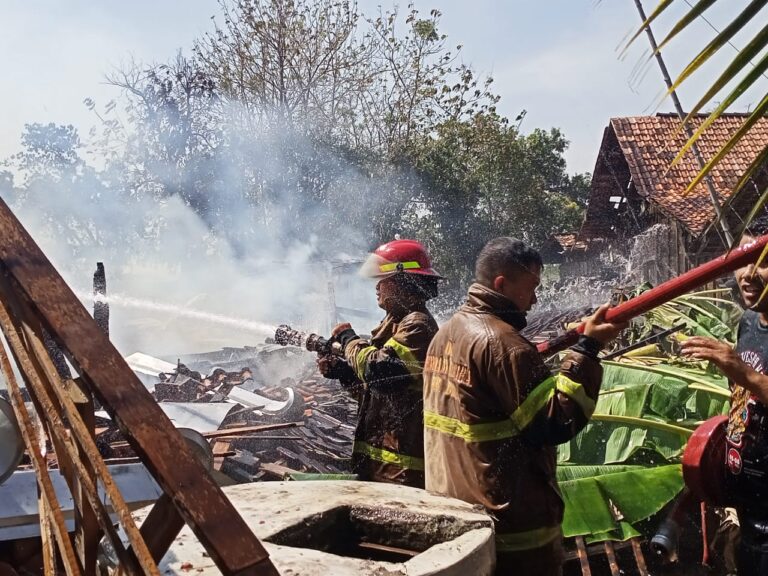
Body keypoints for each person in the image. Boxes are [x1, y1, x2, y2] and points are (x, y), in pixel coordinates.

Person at [423, 237, 625, 575]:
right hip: (512, 532)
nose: (534, 300)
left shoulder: (446, 333)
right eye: (530, 287)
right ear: (502, 284)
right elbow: (556, 422)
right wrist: (588, 350)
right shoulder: (505, 346)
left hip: (458, 514)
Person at [680, 219, 768, 576]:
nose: (747, 274)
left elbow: (747, 378)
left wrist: (739, 369)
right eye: (741, 262)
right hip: (750, 500)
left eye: (761, 261)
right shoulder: (748, 322)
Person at [319, 239, 440, 488]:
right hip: (382, 465)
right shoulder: (394, 324)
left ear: (402, 282)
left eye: (382, 281)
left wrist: (348, 339)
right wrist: (344, 373)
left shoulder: (418, 325)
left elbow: (379, 370)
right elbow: (383, 393)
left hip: (403, 468)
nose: (377, 288)